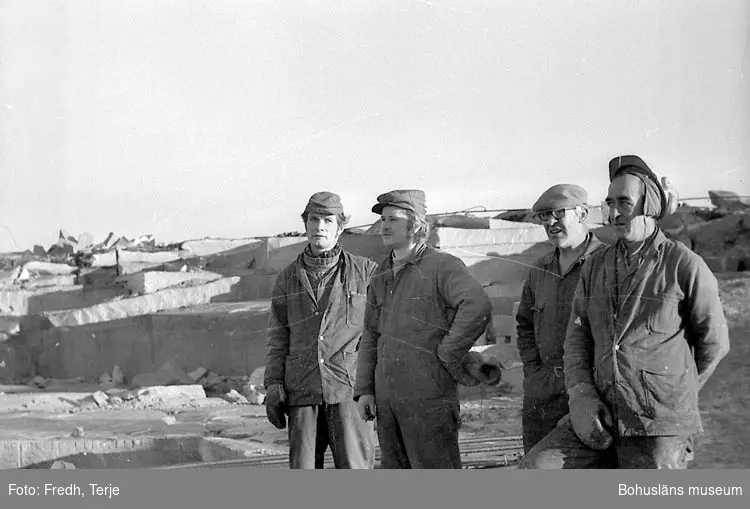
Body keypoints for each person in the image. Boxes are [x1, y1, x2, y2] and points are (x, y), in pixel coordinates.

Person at [518, 155, 730, 469]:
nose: (613, 213)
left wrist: (668, 397)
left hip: (657, 426)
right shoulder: (596, 266)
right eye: (609, 203)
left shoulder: (683, 265)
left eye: (624, 203)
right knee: (536, 469)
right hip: (598, 413)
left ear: (650, 205)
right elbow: (577, 338)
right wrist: (581, 395)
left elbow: (714, 343)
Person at [353, 189, 493, 469]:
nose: (385, 225)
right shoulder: (381, 275)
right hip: (388, 404)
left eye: (393, 219)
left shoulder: (441, 266)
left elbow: (477, 305)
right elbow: (370, 334)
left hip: (429, 401)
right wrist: (365, 389)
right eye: (383, 219)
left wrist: (448, 352)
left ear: (415, 225)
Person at [263, 191, 378, 469]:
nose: (320, 226)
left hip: (349, 392)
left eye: (328, 220)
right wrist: (273, 385)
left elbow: (379, 334)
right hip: (302, 392)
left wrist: (375, 388)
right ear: (305, 224)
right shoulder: (287, 278)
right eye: (314, 219)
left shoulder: (366, 272)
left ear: (340, 228)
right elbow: (278, 336)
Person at [516, 184, 606, 453]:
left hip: (592, 391)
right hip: (542, 392)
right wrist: (534, 372)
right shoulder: (539, 270)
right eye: (544, 216)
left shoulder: (607, 264)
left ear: (582, 214)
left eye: (558, 213)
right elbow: (524, 325)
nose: (551, 223)